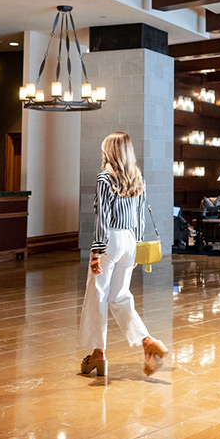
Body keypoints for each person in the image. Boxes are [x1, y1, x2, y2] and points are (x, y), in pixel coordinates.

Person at [79, 132, 169, 378]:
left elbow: (102, 217)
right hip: (130, 240)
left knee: (97, 295)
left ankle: (99, 353)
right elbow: (140, 215)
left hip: (110, 239)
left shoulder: (104, 178)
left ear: (110, 151)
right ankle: (148, 342)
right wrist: (138, 245)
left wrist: (96, 249)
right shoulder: (137, 178)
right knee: (119, 296)